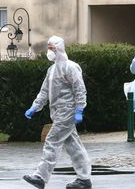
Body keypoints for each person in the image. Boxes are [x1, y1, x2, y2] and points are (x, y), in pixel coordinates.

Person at [23, 36, 92, 189]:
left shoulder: (71, 67)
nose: (49, 51)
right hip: (58, 113)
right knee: (74, 145)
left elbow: (80, 90)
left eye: (52, 48)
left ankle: (40, 177)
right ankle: (84, 178)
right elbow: (44, 91)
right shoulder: (52, 70)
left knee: (52, 141)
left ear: (59, 48)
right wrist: (34, 107)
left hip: (67, 112)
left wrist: (80, 109)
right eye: (48, 48)